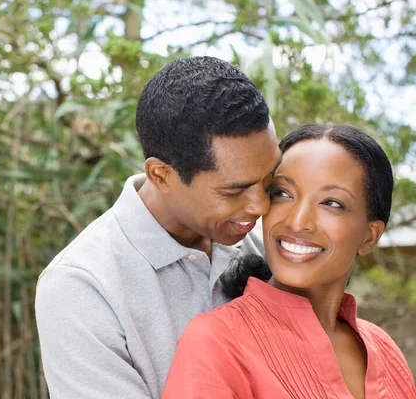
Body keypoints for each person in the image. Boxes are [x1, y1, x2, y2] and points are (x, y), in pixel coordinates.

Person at [35, 56, 281, 398]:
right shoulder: (81, 287)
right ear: (161, 175)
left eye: (270, 180)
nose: (262, 206)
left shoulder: (269, 241)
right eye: (234, 191)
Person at [163, 124, 416, 399]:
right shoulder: (217, 342)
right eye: (282, 193)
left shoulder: (386, 350)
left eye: (332, 203)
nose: (298, 222)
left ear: (369, 237)